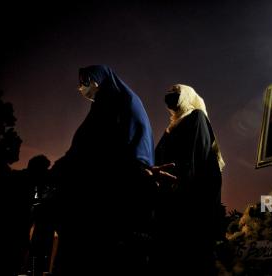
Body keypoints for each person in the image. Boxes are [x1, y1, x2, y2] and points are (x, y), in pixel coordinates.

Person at [49, 65, 174, 275]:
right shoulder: (110, 103)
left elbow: (103, 150)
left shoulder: (115, 104)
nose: (81, 88)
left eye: (85, 82)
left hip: (104, 197)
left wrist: (138, 169)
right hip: (102, 191)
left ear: (99, 80)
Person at [154, 84, 224, 275]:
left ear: (187, 97)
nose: (171, 99)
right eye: (168, 95)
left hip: (190, 205)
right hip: (171, 202)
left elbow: (194, 160)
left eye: (176, 94)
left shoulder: (196, 118)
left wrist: (177, 187)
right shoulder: (172, 127)